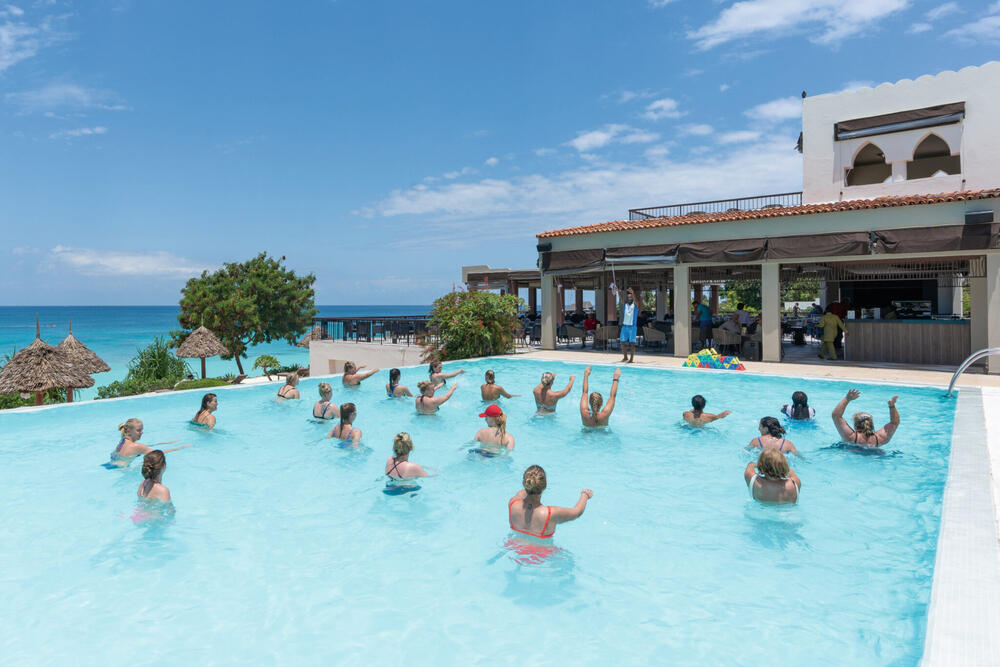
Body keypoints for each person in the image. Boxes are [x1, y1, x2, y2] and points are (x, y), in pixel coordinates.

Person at [508, 465, 593, 539]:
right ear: (544, 486)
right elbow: (577, 512)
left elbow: (522, 493)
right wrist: (585, 494)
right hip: (541, 551)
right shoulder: (550, 514)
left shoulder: (512, 503)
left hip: (515, 547)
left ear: (525, 483)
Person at [109, 418, 190, 467]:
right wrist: (180, 447)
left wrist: (164, 443)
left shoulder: (123, 440)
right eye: (138, 430)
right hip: (124, 469)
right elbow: (158, 453)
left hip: (113, 464)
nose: (142, 432)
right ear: (129, 431)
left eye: (142, 430)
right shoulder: (137, 446)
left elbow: (140, 447)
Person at [832, 389, 900, 447]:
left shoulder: (851, 437)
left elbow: (836, 415)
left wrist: (847, 399)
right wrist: (892, 406)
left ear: (855, 425)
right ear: (872, 424)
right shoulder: (880, 439)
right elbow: (894, 423)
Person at [618, 287, 638, 363]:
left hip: (632, 327)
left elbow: (636, 301)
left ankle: (631, 359)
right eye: (628, 297)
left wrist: (633, 293)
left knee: (632, 343)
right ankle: (625, 357)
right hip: (625, 326)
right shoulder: (625, 305)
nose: (629, 298)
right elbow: (621, 299)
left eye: (631, 297)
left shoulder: (635, 306)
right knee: (622, 342)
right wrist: (618, 292)